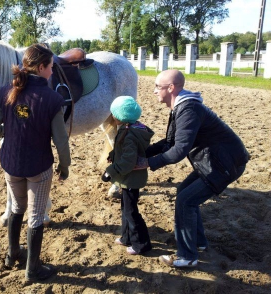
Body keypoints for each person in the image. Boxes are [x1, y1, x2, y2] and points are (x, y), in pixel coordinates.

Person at [136, 69, 249, 267]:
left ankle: (187, 257)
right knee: (184, 193)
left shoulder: (188, 109)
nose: (154, 91)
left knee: (186, 200)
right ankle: (198, 243)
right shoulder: (181, 107)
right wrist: (144, 153)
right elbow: (171, 142)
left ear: (171, 88)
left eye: (157, 87)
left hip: (225, 164)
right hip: (213, 161)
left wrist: (146, 163)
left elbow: (178, 151)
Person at [0, 43, 71, 282]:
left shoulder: (4, 92)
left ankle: (12, 254)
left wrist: (9, 132)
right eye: (51, 67)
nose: (52, 72)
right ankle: (33, 270)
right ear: (42, 67)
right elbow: (61, 141)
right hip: (38, 168)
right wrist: (65, 166)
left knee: (16, 207)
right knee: (35, 216)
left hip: (11, 164)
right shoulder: (53, 99)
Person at [101, 96, 154, 255]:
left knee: (131, 211)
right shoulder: (128, 129)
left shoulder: (130, 134)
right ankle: (126, 237)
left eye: (114, 114)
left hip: (131, 178)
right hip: (127, 178)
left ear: (121, 117)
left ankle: (142, 244)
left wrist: (110, 171)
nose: (112, 117)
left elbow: (128, 161)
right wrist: (113, 153)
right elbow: (124, 151)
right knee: (126, 208)